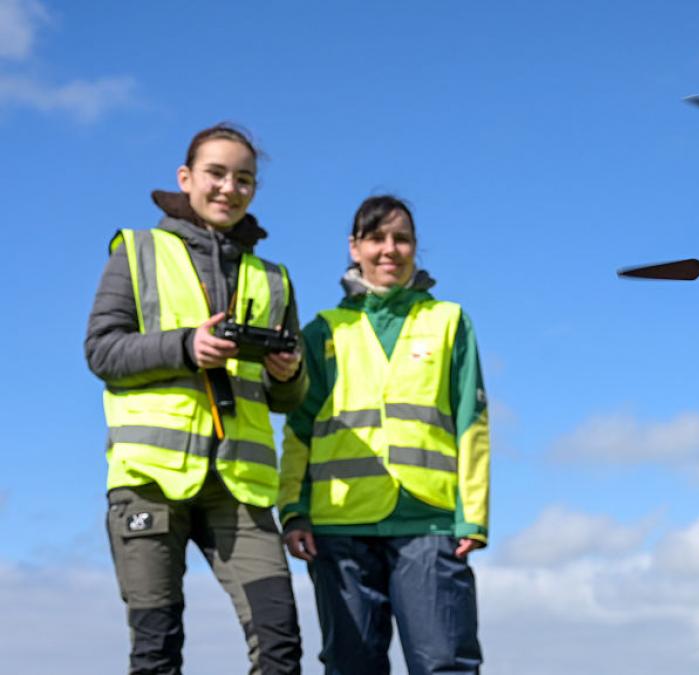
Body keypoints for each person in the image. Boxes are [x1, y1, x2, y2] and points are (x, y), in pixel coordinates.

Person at [85, 124, 306, 675]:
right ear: (186, 179)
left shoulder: (275, 279)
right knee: (157, 653)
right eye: (216, 174)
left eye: (244, 179)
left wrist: (289, 372)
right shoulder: (135, 253)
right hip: (150, 480)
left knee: (280, 648)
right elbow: (102, 352)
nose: (229, 188)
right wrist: (187, 346)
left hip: (241, 487)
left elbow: (289, 397)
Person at [279, 195, 489, 675]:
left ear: (416, 247)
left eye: (402, 238)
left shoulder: (449, 322)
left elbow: (472, 424)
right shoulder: (323, 332)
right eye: (376, 238)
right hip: (338, 528)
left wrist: (472, 517)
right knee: (351, 665)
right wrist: (292, 511)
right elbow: (298, 428)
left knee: (446, 663)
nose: (389, 250)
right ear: (355, 247)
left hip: (429, 524)